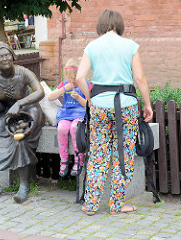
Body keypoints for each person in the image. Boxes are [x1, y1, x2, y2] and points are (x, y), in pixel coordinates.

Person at [75, 9, 153, 215]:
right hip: (126, 106)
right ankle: (117, 204)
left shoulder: (92, 46)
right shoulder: (130, 46)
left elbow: (80, 78)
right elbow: (140, 78)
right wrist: (147, 104)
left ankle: (90, 204)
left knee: (98, 154)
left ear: (101, 25)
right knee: (123, 154)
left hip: (99, 106)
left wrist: (90, 99)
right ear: (119, 25)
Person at [0, 41, 45, 203]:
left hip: (27, 110)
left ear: (12, 56)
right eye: (0, 57)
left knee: (20, 140)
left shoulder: (23, 72)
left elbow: (40, 92)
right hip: (5, 114)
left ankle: (24, 186)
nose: (5, 59)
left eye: (7, 55)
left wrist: (19, 103)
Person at [48, 58, 92, 177]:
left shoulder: (86, 85)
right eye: (69, 77)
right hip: (66, 114)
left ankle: (79, 159)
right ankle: (64, 159)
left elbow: (90, 104)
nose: (72, 80)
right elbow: (50, 97)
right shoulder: (65, 84)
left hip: (80, 115)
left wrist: (79, 98)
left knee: (75, 128)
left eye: (74, 77)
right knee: (62, 128)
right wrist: (63, 89)